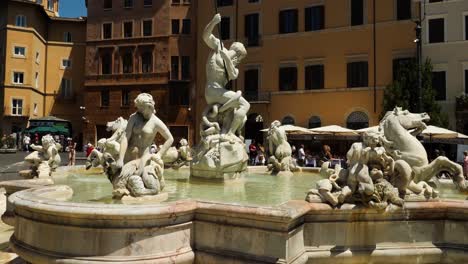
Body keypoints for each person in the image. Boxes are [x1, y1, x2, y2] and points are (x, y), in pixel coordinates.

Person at [203, 13, 250, 135]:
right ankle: (229, 134)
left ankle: (229, 132)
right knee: (245, 104)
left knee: (241, 106)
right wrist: (213, 22)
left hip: (219, 92)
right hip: (212, 90)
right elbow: (205, 36)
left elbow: (232, 74)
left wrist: (228, 60)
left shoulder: (234, 68)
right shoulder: (218, 46)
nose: (238, 60)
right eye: (239, 56)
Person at [116, 93, 174, 175]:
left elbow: (170, 138)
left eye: (141, 108)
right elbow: (125, 137)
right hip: (128, 156)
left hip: (143, 159)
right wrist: (120, 158)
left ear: (149, 107)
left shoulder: (156, 122)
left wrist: (159, 154)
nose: (138, 110)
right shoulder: (134, 118)